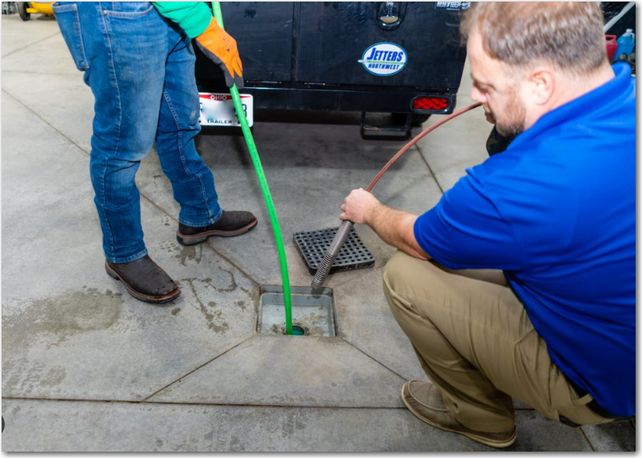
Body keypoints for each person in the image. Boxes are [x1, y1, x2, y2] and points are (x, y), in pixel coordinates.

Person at [339, 2, 635, 449]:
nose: (475, 97)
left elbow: (420, 240)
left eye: (484, 85)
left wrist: (370, 210)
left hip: (604, 385)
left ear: (540, 84)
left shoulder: (518, 186)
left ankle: (481, 419)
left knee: (407, 276)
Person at [53, 2, 256, 304]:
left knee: (179, 125)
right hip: (117, 16)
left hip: (167, 13)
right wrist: (202, 22)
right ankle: (123, 254)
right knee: (122, 147)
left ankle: (200, 215)